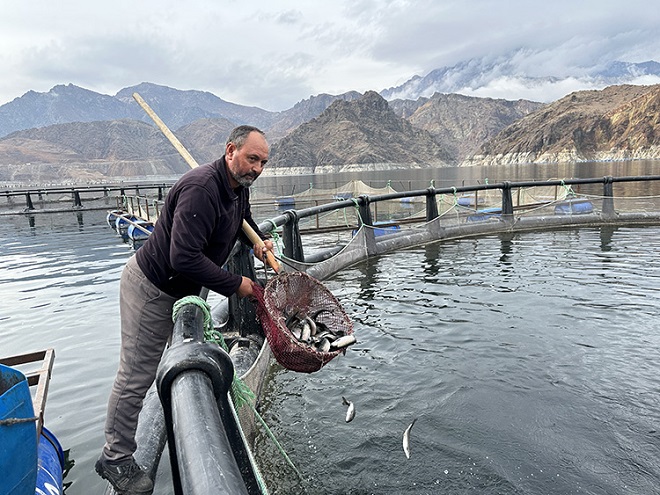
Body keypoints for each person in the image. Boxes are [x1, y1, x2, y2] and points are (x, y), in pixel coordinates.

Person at [95, 125, 274, 494]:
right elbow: (183, 257)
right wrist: (237, 285)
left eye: (263, 162)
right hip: (151, 288)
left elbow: (243, 222)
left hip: (181, 293)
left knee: (144, 373)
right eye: (252, 158)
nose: (257, 168)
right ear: (230, 151)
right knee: (135, 375)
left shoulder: (237, 188)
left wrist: (258, 241)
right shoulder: (201, 189)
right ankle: (114, 458)